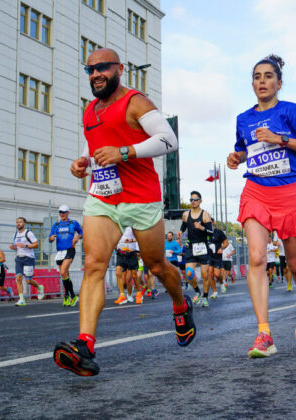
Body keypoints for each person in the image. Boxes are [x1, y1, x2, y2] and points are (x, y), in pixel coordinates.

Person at [54, 48, 194, 376]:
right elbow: (95, 149)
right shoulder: (90, 110)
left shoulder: (135, 102)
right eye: (90, 69)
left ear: (119, 69)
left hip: (141, 197)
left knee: (158, 266)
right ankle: (85, 346)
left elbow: (168, 140)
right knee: (93, 264)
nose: (95, 74)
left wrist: (125, 152)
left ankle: (180, 304)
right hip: (103, 196)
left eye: (102, 68)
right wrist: (82, 163)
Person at [227, 54, 296, 358]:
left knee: (295, 265)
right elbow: (244, 149)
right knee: (256, 258)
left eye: (268, 76)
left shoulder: (291, 111)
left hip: (289, 193)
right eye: (257, 76)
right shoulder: (244, 118)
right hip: (256, 190)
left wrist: (280, 139)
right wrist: (235, 158)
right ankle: (264, 333)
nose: (262, 81)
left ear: (279, 83)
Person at [181, 191, 214, 307]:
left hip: (203, 246)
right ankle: (197, 291)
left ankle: (205, 297)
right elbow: (184, 225)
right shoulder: (185, 214)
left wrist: (201, 227)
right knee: (189, 274)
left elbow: (211, 231)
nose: (193, 202)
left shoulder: (205, 215)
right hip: (191, 247)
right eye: (191, 200)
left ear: (200, 201)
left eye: (195, 199)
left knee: (205, 275)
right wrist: (181, 231)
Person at [49, 205, 83, 307]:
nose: (62, 214)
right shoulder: (56, 224)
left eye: (64, 212)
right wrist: (51, 238)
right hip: (60, 252)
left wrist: (77, 237)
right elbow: (50, 238)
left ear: (68, 213)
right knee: (65, 274)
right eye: (60, 212)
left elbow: (82, 232)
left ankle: (67, 296)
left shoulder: (73, 223)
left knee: (63, 271)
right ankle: (71, 296)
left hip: (70, 249)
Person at [10, 217, 45, 306]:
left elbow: (36, 244)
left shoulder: (28, 233)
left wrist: (25, 245)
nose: (18, 224)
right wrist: (13, 247)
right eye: (17, 222)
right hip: (19, 258)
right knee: (18, 278)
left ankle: (39, 287)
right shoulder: (15, 234)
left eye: (20, 222)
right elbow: (17, 246)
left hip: (28, 258)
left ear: (24, 224)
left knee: (28, 281)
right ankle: (21, 299)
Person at [113, 227, 139, 305]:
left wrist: (131, 242)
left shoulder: (132, 227)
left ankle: (131, 295)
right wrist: (115, 247)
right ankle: (122, 295)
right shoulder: (117, 228)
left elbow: (139, 239)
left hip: (131, 254)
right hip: (121, 254)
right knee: (121, 277)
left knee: (128, 279)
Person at [207, 219, 228, 298]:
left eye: (209, 222)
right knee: (210, 274)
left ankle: (222, 282)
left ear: (213, 222)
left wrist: (221, 248)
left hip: (217, 257)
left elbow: (226, 242)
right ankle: (215, 292)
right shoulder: (204, 232)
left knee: (217, 274)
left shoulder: (219, 232)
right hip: (209, 257)